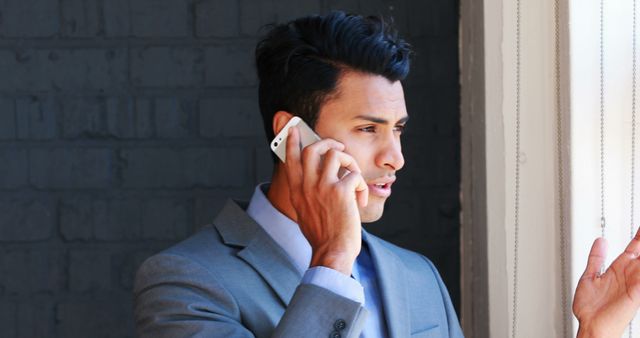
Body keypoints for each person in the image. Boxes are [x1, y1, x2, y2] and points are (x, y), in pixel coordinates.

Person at [133, 10, 640, 338]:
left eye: (397, 128)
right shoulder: (187, 281)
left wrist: (595, 334)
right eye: (368, 128)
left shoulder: (417, 277)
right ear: (292, 137)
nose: (395, 156)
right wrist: (332, 260)